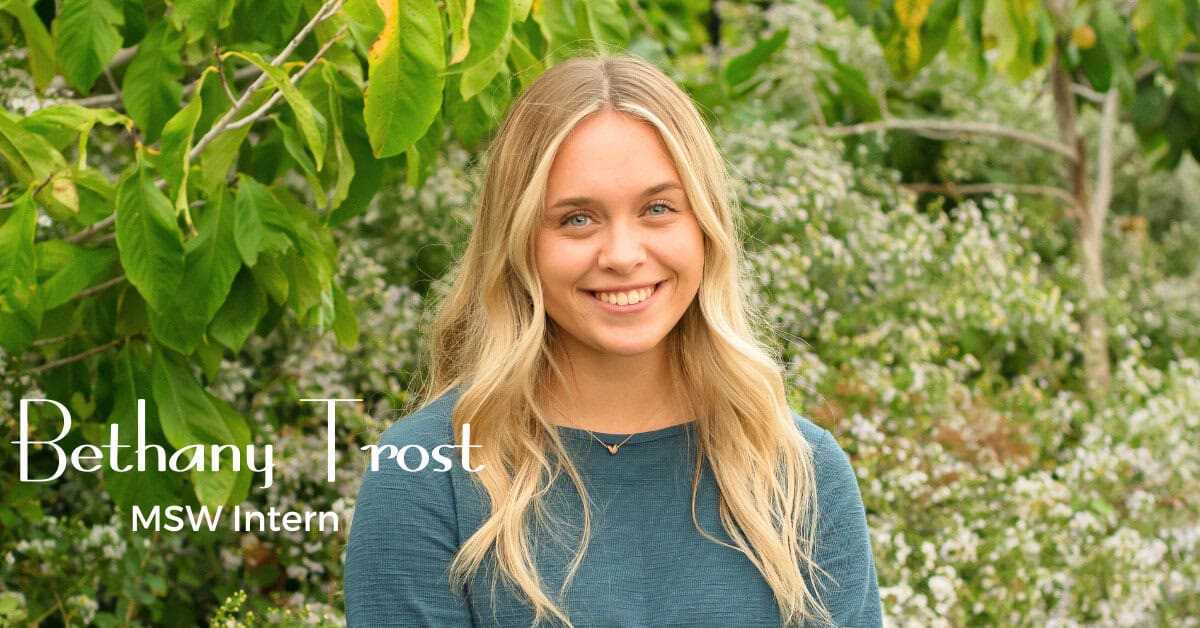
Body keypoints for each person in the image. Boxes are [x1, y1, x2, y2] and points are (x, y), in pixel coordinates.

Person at [343, 54, 883, 627]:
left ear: (705, 225)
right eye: (578, 219)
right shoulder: (426, 475)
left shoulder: (801, 473)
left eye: (658, 209)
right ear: (519, 239)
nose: (623, 255)